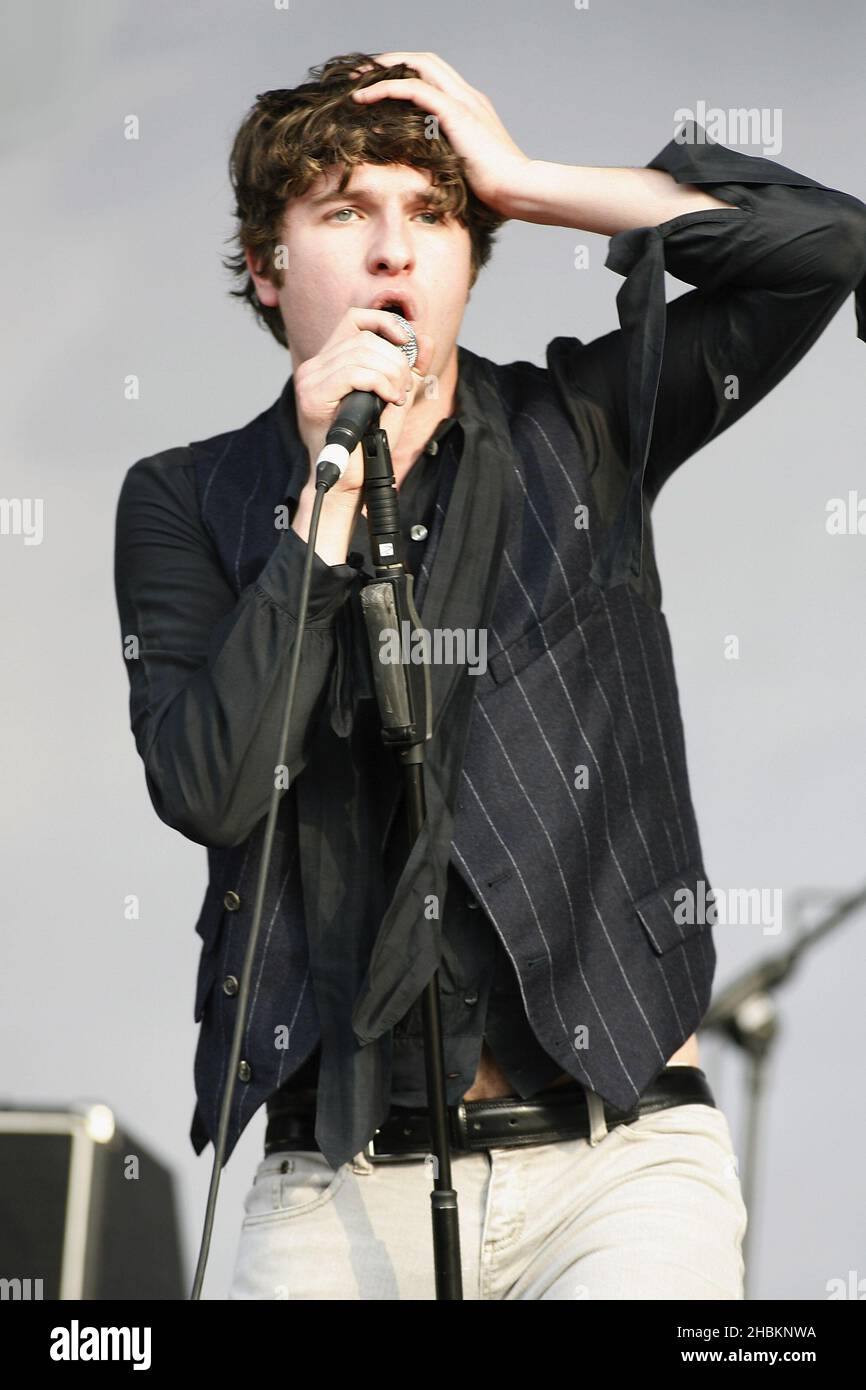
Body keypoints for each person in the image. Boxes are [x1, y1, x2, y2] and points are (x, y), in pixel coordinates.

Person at [113, 51, 866, 1300]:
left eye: (434, 214)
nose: (394, 251)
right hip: (338, 1175)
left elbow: (824, 247)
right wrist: (325, 508)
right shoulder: (189, 500)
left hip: (619, 1159)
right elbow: (209, 785)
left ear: (473, 253)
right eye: (345, 212)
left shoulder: (583, 426)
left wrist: (529, 181)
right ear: (266, 263)